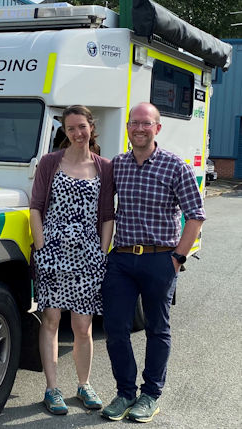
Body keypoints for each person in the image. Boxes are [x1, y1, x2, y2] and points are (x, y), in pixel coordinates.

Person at [101, 102, 205, 423]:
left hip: (161, 258)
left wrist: (176, 259)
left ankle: (150, 395)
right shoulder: (118, 165)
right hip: (121, 258)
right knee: (115, 328)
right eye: (134, 123)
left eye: (146, 123)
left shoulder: (176, 167)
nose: (139, 128)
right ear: (128, 128)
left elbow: (196, 216)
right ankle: (125, 393)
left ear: (157, 128)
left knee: (157, 329)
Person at [30, 105, 115, 415]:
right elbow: (36, 207)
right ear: (64, 133)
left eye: (82, 126)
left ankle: (84, 385)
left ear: (91, 127)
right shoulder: (51, 162)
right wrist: (41, 248)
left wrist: (100, 253)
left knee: (83, 325)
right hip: (53, 253)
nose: (78, 133)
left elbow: (107, 215)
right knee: (51, 320)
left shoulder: (105, 167)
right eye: (71, 129)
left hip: (88, 257)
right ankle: (52, 389)